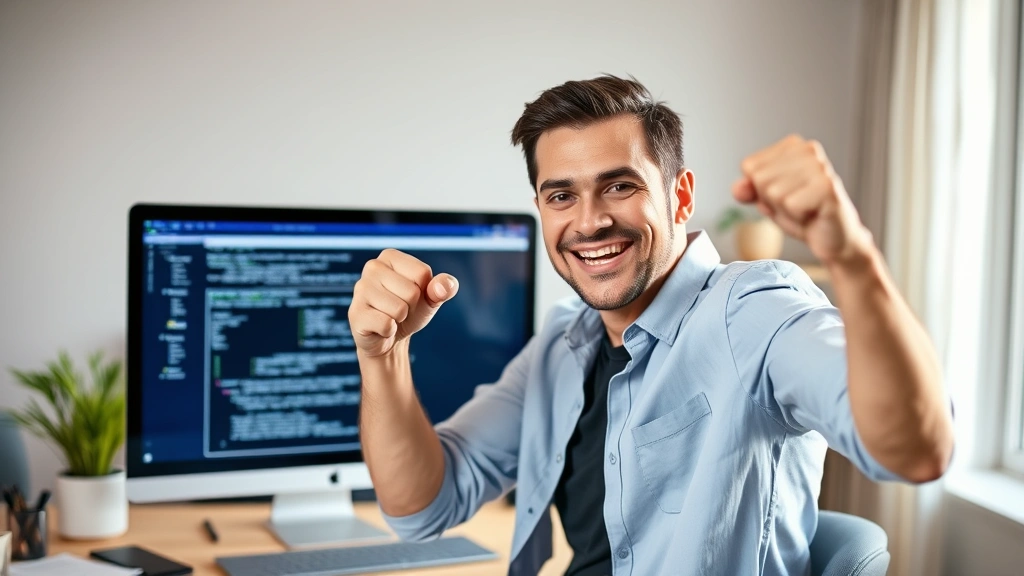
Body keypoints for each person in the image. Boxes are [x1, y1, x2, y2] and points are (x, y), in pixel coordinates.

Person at [348, 75, 954, 576]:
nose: (588, 223)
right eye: (561, 196)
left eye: (619, 186)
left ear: (680, 196)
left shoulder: (753, 309)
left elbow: (915, 452)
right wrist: (384, 354)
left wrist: (850, 254)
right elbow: (420, 508)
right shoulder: (562, 345)